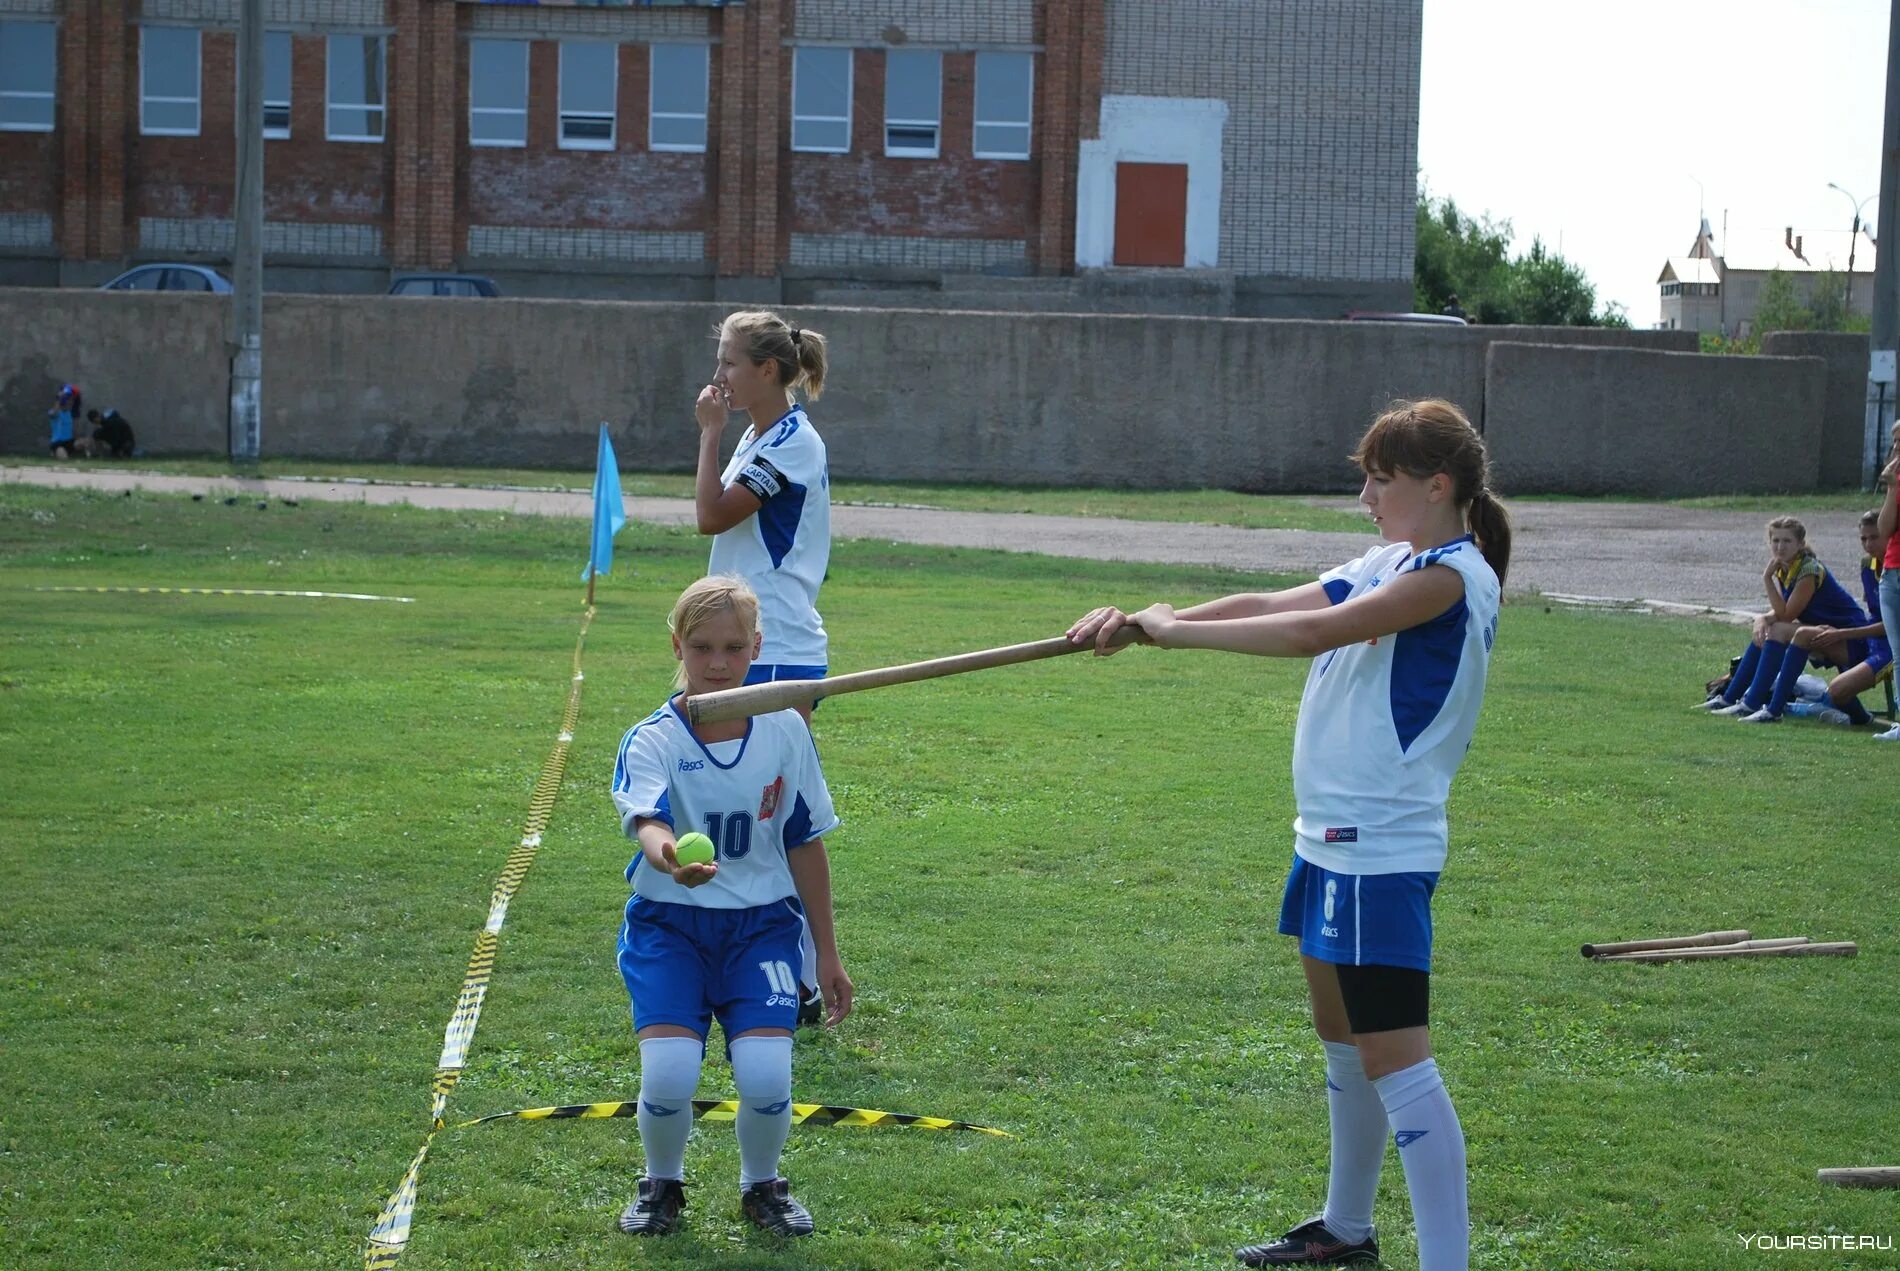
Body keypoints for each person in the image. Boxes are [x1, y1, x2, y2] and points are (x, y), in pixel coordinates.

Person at [1068, 399, 1507, 1271]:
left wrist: (1178, 633)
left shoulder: (1452, 575)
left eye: (1382, 479)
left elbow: (1316, 630)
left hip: (1379, 848)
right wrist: (1155, 620)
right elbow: (1277, 598)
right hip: (1328, 840)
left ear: (1438, 483)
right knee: (1341, 1033)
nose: (1368, 495)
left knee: (1398, 1056)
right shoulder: (1396, 557)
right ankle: (1347, 1227)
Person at [609, 576, 851, 1238]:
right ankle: (661, 1183)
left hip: (763, 928)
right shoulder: (652, 738)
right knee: (669, 1072)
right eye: (701, 646)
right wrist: (671, 861)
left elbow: (804, 843)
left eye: (734, 647)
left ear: (757, 647)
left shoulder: (785, 732)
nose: (717, 663)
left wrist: (827, 951)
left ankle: (761, 1185)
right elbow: (648, 823)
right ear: (677, 646)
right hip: (670, 927)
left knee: (768, 1073)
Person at [693, 310, 833, 1023]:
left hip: (778, 651)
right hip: (748, 644)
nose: (720, 375)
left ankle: (805, 980)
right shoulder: (760, 434)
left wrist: (708, 432)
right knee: (742, 811)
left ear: (768, 371)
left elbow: (712, 515)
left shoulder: (792, 443)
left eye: (730, 362)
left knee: (783, 821)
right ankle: (752, 964)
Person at [1698, 516, 1870, 721]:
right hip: (1825, 633)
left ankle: (1756, 705)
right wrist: (1763, 618)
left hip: (1851, 638)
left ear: (1800, 543)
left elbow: (1787, 615)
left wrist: (1766, 579)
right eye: (1776, 541)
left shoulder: (1809, 569)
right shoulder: (1785, 566)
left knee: (1777, 629)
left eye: (1787, 541)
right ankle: (1731, 698)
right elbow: (1785, 610)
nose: (1780, 546)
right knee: (1771, 628)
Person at [1780, 510, 1892, 727]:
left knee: (1836, 691)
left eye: (1874, 537)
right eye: (1863, 538)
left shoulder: (1894, 570)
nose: (1868, 544)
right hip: (1870, 638)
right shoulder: (1867, 565)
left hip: (1891, 646)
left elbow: (1892, 626)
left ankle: (1873, 723)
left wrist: (1841, 633)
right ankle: (1765, 703)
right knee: (1791, 632)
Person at [1876, 426, 1900, 740]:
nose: (1896, 447)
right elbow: (1884, 531)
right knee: (1899, 654)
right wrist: (1891, 488)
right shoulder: (1897, 479)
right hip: (1892, 572)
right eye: (1895, 441)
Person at [47, 384, 81, 458]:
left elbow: (75, 430)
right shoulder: (55, 412)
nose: (69, 402)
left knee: (85, 442)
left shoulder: (71, 414)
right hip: (58, 443)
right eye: (67, 399)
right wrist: (59, 398)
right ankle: (55, 453)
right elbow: (53, 414)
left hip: (69, 442)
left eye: (71, 400)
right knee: (62, 455)